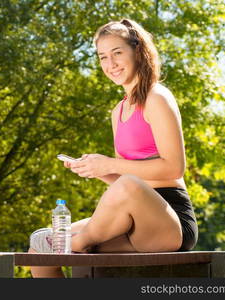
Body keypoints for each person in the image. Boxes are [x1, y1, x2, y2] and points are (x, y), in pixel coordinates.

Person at [28, 18, 198, 278]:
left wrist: (109, 163)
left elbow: (174, 168)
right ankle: (71, 245)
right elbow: (122, 180)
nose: (110, 64)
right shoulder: (118, 111)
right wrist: (95, 169)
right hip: (129, 217)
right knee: (38, 251)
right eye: (103, 57)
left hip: (167, 220)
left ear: (138, 51)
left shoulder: (157, 97)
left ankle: (75, 243)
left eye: (117, 53)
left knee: (125, 187)